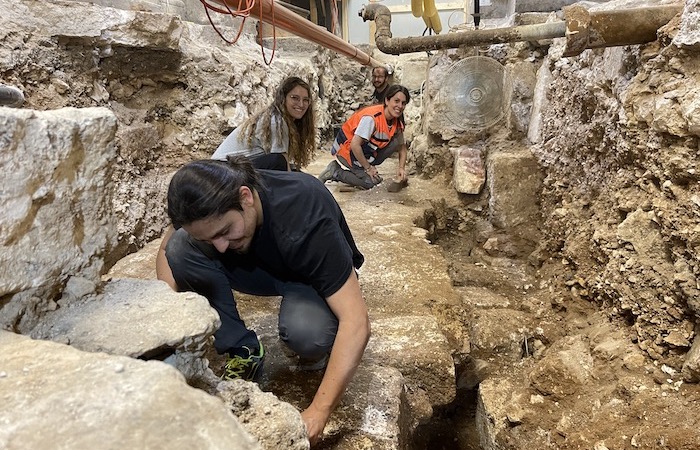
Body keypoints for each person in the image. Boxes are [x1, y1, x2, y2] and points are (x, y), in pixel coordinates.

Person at [156, 156, 370, 446]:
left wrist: (319, 411)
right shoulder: (213, 190)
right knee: (182, 248)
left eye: (224, 231)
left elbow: (356, 322)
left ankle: (314, 328)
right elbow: (170, 247)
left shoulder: (306, 217)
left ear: (245, 197)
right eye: (209, 240)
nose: (219, 246)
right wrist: (164, 321)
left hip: (305, 274)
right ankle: (242, 346)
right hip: (257, 268)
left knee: (306, 335)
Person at [211, 76, 316, 171]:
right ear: (283, 98)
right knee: (278, 161)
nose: (301, 104)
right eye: (295, 98)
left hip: (232, 167)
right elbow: (282, 165)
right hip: (223, 170)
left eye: (305, 100)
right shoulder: (276, 121)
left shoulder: (280, 119)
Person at [318, 84, 411, 190]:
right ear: (387, 101)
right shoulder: (372, 118)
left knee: (396, 142)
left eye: (403, 103)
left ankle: (364, 167)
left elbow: (402, 148)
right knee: (369, 183)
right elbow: (355, 145)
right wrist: (368, 168)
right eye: (396, 101)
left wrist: (401, 168)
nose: (400, 106)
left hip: (365, 150)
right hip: (347, 150)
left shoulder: (396, 122)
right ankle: (335, 171)